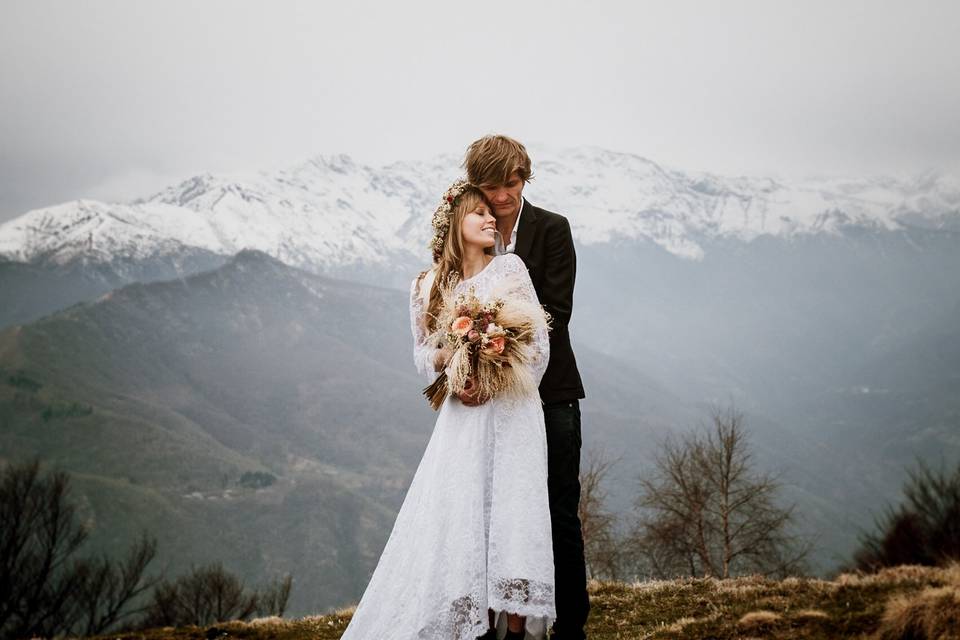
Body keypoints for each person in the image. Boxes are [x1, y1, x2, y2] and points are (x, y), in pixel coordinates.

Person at [340, 180, 556, 640]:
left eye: (490, 214)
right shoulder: (426, 285)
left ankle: (515, 629)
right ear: (455, 222)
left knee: (515, 514)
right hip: (463, 418)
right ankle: (465, 620)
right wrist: (454, 363)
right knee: (460, 513)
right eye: (479, 213)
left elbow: (538, 344)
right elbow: (422, 354)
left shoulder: (511, 269)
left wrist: (497, 370)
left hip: (513, 412)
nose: (490, 219)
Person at [463, 135, 589, 640]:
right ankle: (491, 622)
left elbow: (555, 314)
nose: (502, 196)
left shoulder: (552, 230)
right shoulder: (468, 231)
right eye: (491, 186)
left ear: (525, 178)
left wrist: (499, 351)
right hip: (491, 405)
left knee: (559, 508)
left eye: (511, 183)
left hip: (551, 392)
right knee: (492, 511)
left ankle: (570, 625)